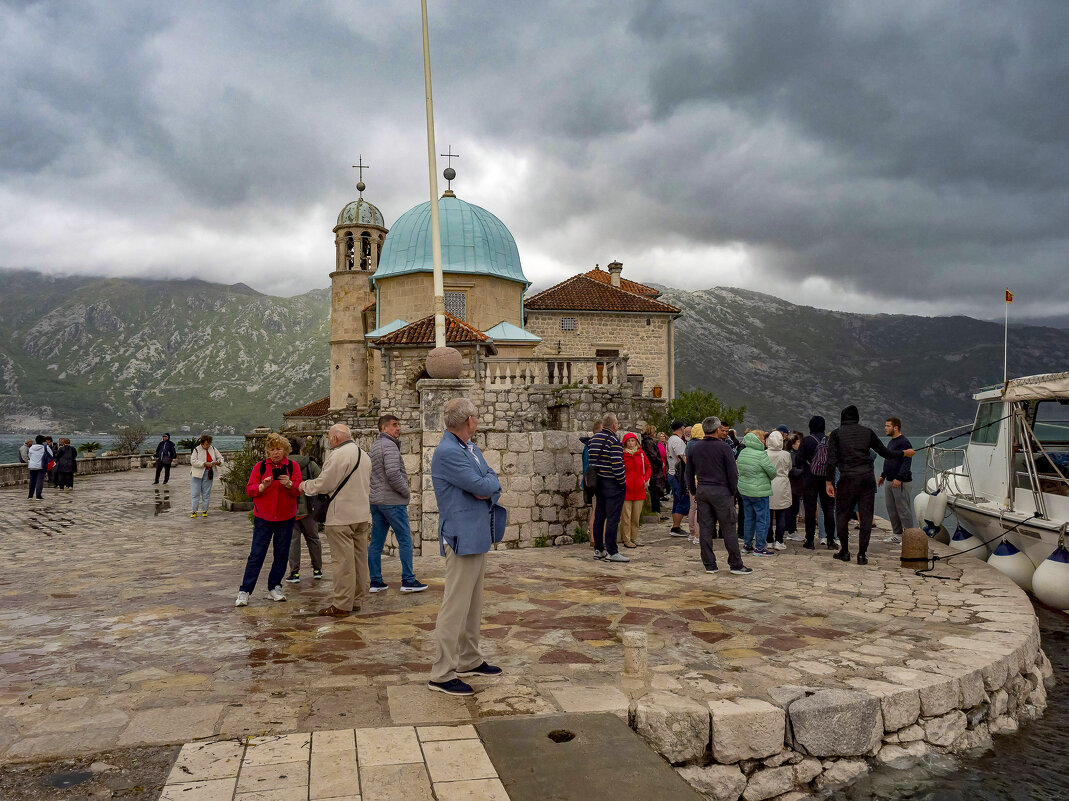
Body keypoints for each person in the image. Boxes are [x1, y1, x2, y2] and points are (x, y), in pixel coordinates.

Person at [427, 397, 506, 697]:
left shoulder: (468, 448)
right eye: (476, 417)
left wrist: (486, 485)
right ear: (470, 421)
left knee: (473, 604)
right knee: (454, 606)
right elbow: (483, 485)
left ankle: (469, 658)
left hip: (476, 535)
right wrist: (485, 485)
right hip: (461, 535)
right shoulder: (448, 452)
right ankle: (442, 673)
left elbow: (490, 480)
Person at [825, 406, 916, 565]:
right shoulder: (867, 432)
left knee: (842, 514)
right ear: (857, 417)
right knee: (866, 516)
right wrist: (904, 453)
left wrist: (829, 482)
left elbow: (831, 461)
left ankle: (845, 551)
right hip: (866, 479)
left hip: (847, 478)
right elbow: (885, 453)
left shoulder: (836, 434)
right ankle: (861, 555)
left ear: (842, 418)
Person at [300, 424, 372, 617]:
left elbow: (324, 484)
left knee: (342, 562)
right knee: (359, 560)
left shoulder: (338, 455)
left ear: (335, 438)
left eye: (330, 438)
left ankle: (341, 604)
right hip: (362, 515)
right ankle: (356, 600)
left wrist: (303, 485)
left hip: (340, 516)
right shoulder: (364, 455)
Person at [236, 433, 303, 607]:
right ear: (268, 451)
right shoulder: (259, 467)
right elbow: (249, 489)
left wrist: (289, 484)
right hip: (263, 518)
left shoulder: (292, 466)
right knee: (256, 555)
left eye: (279, 449)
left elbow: (299, 489)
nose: (275, 452)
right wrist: (261, 486)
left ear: (285, 450)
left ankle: (275, 586)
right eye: (272, 449)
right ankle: (245, 590)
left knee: (281, 554)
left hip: (285, 518)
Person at [368, 414, 427, 593]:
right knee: (405, 540)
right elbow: (393, 474)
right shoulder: (390, 446)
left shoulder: (375, 446)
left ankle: (376, 581)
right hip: (392, 501)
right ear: (384, 428)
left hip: (376, 501)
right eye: (394, 425)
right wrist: (406, 491)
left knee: (376, 542)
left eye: (398, 425)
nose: (398, 428)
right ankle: (408, 580)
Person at [686, 416, 751, 575]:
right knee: (728, 527)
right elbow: (732, 473)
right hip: (721, 491)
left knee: (706, 528)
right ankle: (735, 564)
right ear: (717, 429)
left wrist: (693, 491)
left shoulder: (694, 447)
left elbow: (688, 473)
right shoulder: (724, 448)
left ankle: (709, 564)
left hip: (703, 490)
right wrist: (732, 491)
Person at [588, 412, 629, 563]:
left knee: (599, 516)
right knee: (612, 518)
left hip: (598, 482)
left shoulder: (594, 439)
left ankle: (598, 549)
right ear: (613, 425)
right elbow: (617, 466)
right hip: (613, 484)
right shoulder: (613, 441)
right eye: (617, 423)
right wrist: (623, 482)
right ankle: (612, 551)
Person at [285, 437, 324, 583]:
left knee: (293, 541)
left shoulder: (284, 465)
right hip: (309, 507)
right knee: (313, 539)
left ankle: (294, 573)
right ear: (301, 449)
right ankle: (317, 570)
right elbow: (321, 480)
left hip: (290, 509)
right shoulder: (310, 463)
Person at [737, 430, 777, 556]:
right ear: (758, 440)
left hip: (745, 490)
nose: (765, 441)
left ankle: (747, 545)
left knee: (749, 518)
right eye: (763, 439)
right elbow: (772, 472)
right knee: (762, 519)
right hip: (759, 491)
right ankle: (760, 547)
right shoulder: (761, 454)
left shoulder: (743, 452)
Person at [800, 416, 836, 551]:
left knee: (810, 510)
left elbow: (799, 460)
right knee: (828, 510)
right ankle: (831, 540)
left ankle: (809, 540)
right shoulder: (830, 440)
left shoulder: (807, 440)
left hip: (810, 479)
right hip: (827, 480)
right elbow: (834, 460)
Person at [879, 417, 915, 545]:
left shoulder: (904, 442)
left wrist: (899, 478)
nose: (885, 428)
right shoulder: (892, 442)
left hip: (901, 482)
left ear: (896, 427)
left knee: (903, 509)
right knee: (891, 508)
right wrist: (883, 475)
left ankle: (910, 536)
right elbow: (889, 459)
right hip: (889, 480)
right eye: (885, 425)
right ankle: (897, 534)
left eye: (888, 426)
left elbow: (907, 461)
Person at [620, 432, 651, 548]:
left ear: (636, 442)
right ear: (625, 443)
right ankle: (626, 539)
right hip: (626, 490)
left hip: (639, 489)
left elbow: (648, 468)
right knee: (626, 516)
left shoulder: (641, 454)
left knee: (636, 516)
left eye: (632, 441)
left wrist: (644, 480)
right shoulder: (622, 455)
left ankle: (634, 537)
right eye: (628, 441)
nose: (631, 443)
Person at [766, 430, 793, 550]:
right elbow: (789, 468)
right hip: (782, 484)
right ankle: (779, 540)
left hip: (767, 484)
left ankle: (769, 540)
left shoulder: (764, 453)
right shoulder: (786, 455)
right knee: (781, 514)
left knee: (768, 515)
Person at [580, 420, 603, 547]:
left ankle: (595, 538)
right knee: (596, 510)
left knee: (596, 510)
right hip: (594, 483)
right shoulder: (591, 446)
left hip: (591, 482)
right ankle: (594, 538)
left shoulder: (589, 445)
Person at [190, 435, 224, 517]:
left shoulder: (213, 449)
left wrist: (219, 462)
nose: (207, 446)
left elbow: (221, 458)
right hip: (196, 474)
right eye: (205, 444)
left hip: (209, 473)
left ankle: (205, 510)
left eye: (208, 444)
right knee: (195, 493)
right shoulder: (196, 450)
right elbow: (193, 461)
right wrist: (204, 464)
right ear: (202, 443)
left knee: (206, 493)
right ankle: (194, 511)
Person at [666, 421, 690, 536]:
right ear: (681, 428)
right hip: (678, 475)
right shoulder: (678, 441)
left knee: (677, 500)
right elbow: (683, 458)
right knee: (683, 500)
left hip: (672, 473)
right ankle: (676, 527)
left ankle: (676, 526)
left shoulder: (671, 439)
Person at [685, 422, 706, 544]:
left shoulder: (689, 445)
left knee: (692, 507)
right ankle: (698, 535)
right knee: (700, 508)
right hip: (700, 479)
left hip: (690, 477)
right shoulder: (702, 445)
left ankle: (692, 532)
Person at [641, 424, 666, 520]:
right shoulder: (648, 442)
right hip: (654, 469)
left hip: (653, 468)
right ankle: (657, 512)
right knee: (655, 491)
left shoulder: (647, 442)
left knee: (655, 491)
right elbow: (653, 455)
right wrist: (661, 463)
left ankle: (657, 511)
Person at [784, 432, 806, 541]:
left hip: (795, 486)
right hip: (793, 486)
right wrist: (804, 471)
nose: (800, 444)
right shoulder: (791, 455)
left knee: (792, 509)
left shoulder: (793, 454)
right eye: (798, 442)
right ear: (793, 444)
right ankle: (790, 530)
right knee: (792, 509)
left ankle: (790, 529)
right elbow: (791, 470)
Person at [27, 435, 47, 499]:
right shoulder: (45, 447)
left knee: (32, 481)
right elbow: (51, 454)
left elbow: (29, 456)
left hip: (32, 466)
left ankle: (30, 495)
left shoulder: (31, 447)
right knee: (39, 481)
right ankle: (38, 495)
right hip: (41, 466)